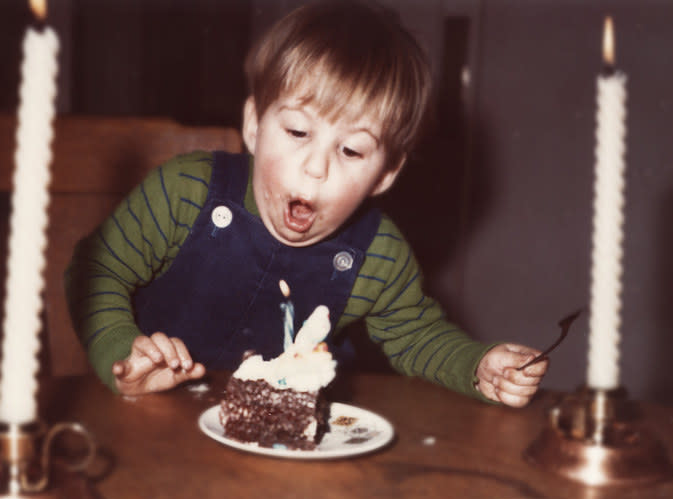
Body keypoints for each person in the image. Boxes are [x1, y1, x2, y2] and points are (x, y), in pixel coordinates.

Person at [65, 0, 548, 406]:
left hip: (285, 452)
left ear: (385, 173)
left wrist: (479, 366)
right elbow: (95, 273)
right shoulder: (185, 192)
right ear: (254, 124)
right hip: (151, 416)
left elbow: (416, 336)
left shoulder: (378, 256)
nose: (317, 168)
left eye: (351, 150)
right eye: (298, 132)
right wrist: (120, 351)